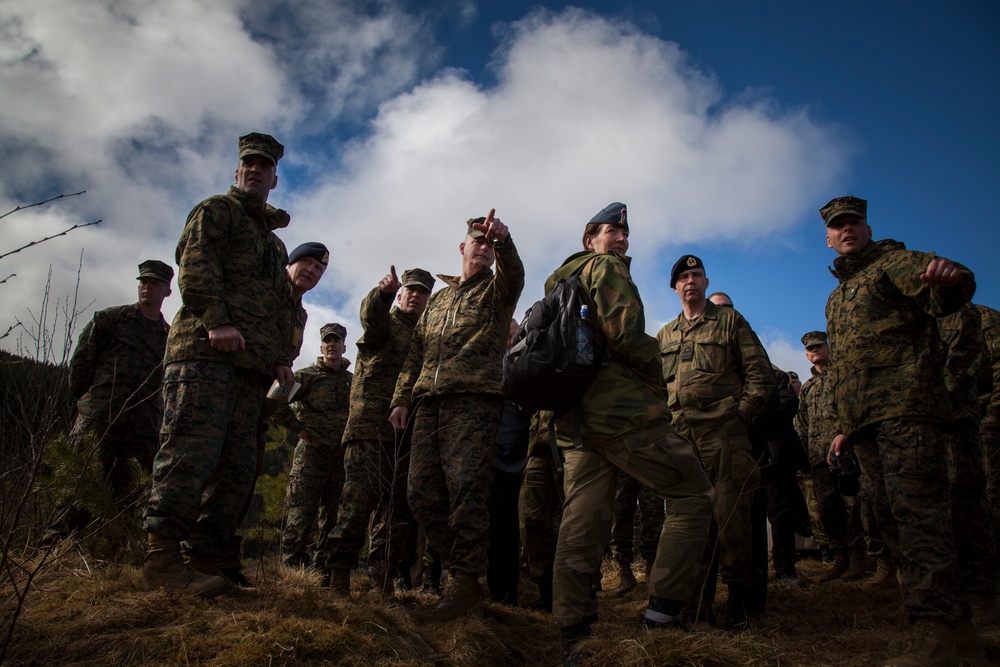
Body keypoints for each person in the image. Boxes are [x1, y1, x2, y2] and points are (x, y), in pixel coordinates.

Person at [547, 202, 713, 666]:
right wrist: (657, 377)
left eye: (625, 233)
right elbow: (627, 334)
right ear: (590, 239)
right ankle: (662, 614)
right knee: (693, 494)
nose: (621, 239)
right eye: (611, 231)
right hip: (622, 415)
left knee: (580, 525)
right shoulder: (605, 268)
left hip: (575, 422)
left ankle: (574, 635)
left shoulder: (558, 280)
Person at [822, 195, 981, 665]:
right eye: (837, 226)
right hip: (866, 423)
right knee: (893, 520)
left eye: (854, 222)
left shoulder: (892, 263)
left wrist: (949, 281)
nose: (847, 229)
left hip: (907, 412)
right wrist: (843, 427)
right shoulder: (838, 296)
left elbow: (947, 287)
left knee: (920, 522)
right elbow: (848, 365)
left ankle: (937, 632)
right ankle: (960, 635)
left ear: (867, 228)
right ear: (827, 238)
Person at [143, 132, 295, 598]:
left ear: (274, 177)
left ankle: (205, 562)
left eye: (263, 165)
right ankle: (162, 560)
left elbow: (275, 309)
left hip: (249, 372)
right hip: (205, 356)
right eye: (247, 163)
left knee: (234, 470)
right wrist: (217, 320)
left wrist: (278, 361)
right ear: (237, 171)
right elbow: (195, 262)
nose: (254, 170)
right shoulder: (217, 210)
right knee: (189, 454)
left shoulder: (273, 247)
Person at [389, 209, 525, 621]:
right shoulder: (440, 300)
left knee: (468, 492)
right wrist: (400, 399)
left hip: (474, 402)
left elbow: (514, 275)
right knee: (420, 493)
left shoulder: (496, 291)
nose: (483, 248)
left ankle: (465, 585)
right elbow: (417, 353)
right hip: (428, 405)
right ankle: (465, 572)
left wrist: (504, 240)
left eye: (489, 244)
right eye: (478, 242)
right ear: (462, 247)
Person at [657, 254, 774, 631]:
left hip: (724, 436)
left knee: (733, 522)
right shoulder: (665, 335)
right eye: (683, 277)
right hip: (682, 441)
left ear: (706, 283)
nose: (690, 281)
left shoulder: (730, 321)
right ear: (675, 287)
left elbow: (761, 374)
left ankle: (741, 608)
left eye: (696, 275)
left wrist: (740, 415)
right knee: (691, 525)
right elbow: (657, 388)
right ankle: (696, 608)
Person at [219, 240, 329, 587]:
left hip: (257, 405)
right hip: (229, 391)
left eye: (319, 268)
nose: (311, 271)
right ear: (290, 263)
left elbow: (282, 354)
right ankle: (186, 559)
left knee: (241, 478)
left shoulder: (300, 312)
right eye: (307, 263)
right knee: (214, 471)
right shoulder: (265, 288)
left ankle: (221, 560)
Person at [323, 266, 435, 596]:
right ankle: (338, 578)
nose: (415, 295)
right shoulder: (385, 325)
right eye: (410, 290)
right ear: (401, 295)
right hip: (369, 430)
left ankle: (382, 582)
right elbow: (371, 317)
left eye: (422, 293)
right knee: (356, 506)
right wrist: (382, 294)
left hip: (407, 437)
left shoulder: (425, 337)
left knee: (398, 514)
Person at [44, 260, 174, 544]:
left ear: (167, 291)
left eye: (155, 283)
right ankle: (54, 554)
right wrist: (90, 404)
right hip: (100, 418)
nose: (147, 287)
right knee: (80, 486)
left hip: (142, 427)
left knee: (127, 498)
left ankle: (111, 561)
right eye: (143, 282)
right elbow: (80, 365)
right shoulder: (110, 320)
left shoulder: (169, 337)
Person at [273, 322, 353, 571]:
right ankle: (292, 571)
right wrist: (297, 428)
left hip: (340, 458)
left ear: (343, 346)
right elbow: (275, 400)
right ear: (321, 346)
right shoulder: (306, 376)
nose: (332, 345)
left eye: (336, 341)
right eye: (328, 341)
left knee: (334, 517)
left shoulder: (353, 381)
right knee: (301, 514)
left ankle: (323, 571)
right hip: (311, 455)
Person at [937, 303, 998, 616]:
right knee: (940, 505)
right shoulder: (912, 315)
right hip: (925, 423)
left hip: (961, 420)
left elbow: (982, 366)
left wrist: (993, 416)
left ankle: (982, 587)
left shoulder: (971, 315)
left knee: (969, 501)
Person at [793, 331, 867, 583]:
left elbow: (855, 407)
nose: (815, 351)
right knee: (829, 510)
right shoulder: (808, 388)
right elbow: (801, 423)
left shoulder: (842, 376)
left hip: (845, 455)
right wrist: (802, 453)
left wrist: (845, 433)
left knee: (855, 506)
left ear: (828, 348)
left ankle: (860, 559)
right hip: (817, 458)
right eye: (810, 349)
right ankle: (840, 558)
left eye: (819, 347)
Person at [486, 319, 532, 605]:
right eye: (506, 334)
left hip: (521, 457)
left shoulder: (528, 364)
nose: (510, 339)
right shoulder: (488, 365)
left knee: (514, 527)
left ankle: (508, 592)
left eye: (514, 335)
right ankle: (498, 591)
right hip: (494, 458)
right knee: (496, 527)